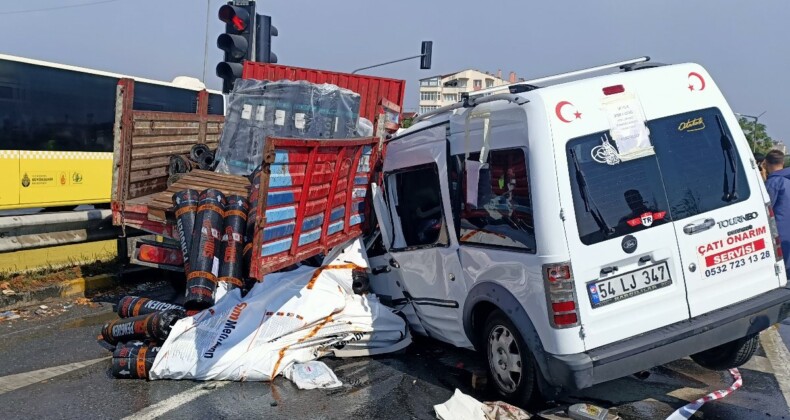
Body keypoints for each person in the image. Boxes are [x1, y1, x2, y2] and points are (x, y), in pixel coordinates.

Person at [764, 149, 790, 272]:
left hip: (780, 230)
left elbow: (765, 208)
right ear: (782, 162)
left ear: (766, 163)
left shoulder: (773, 182)